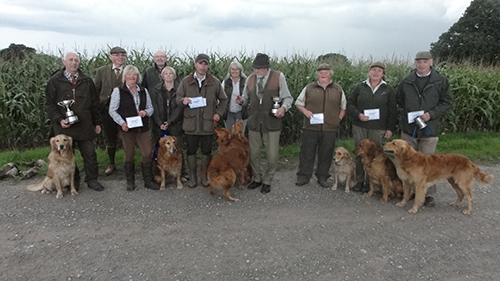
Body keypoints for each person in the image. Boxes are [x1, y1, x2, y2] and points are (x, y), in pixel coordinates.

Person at [396, 51, 453, 207]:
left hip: (430, 128)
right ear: (415, 63)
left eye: (424, 61)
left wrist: (431, 114)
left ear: (431, 62)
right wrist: (410, 113)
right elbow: (399, 99)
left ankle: (427, 194)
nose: (421, 64)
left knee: (428, 163)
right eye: (418, 61)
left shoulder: (440, 81)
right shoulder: (407, 81)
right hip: (409, 129)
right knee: (407, 161)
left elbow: (447, 102)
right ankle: (410, 192)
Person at [45, 52, 104, 192]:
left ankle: (92, 179)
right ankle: (73, 181)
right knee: (67, 155)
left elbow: (95, 103)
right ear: (64, 62)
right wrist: (59, 119)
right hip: (64, 127)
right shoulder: (55, 81)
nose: (73, 63)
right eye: (70, 60)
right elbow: (49, 105)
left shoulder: (87, 81)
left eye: (76, 60)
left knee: (90, 154)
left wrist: (97, 123)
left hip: (85, 125)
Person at [235, 53, 293, 194]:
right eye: (255, 68)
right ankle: (257, 178)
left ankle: (268, 180)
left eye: (259, 68)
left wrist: (283, 108)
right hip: (254, 122)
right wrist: (241, 101)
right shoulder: (250, 79)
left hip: (272, 123)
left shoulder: (278, 77)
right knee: (253, 154)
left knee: (272, 155)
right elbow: (246, 98)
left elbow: (288, 98)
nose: (256, 71)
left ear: (266, 67)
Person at [175, 53, 228, 188]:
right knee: (191, 151)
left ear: (208, 65)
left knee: (206, 151)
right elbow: (177, 98)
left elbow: (223, 99)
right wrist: (183, 101)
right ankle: (193, 178)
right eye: (200, 63)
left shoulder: (214, 82)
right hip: (191, 124)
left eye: (205, 64)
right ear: (195, 64)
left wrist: (218, 113)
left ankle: (204, 177)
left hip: (207, 124)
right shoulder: (186, 81)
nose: (203, 67)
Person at [347, 61, 398, 192]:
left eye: (379, 70)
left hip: (378, 127)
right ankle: (359, 181)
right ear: (369, 71)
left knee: (376, 155)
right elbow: (350, 104)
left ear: (383, 74)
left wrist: (390, 128)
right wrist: (358, 115)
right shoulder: (360, 87)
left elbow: (393, 110)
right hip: (360, 126)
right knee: (360, 153)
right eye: (373, 69)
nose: (376, 72)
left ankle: (373, 182)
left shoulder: (388, 89)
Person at [295, 63, 347, 188]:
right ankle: (303, 176)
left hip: (330, 128)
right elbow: (298, 103)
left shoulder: (338, 89)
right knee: (307, 153)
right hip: (311, 127)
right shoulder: (309, 88)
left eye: (326, 72)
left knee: (327, 154)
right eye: (320, 72)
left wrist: (338, 119)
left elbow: (344, 107)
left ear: (330, 74)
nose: (323, 74)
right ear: (317, 74)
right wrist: (306, 111)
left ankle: (322, 177)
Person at [108, 65, 159, 191]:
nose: (132, 77)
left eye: (134, 75)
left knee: (147, 153)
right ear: (124, 77)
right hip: (127, 129)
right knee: (129, 154)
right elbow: (112, 110)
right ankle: (130, 181)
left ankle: (148, 180)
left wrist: (145, 113)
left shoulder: (143, 91)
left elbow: (150, 108)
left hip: (142, 128)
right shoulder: (118, 91)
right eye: (129, 75)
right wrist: (121, 123)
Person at [150, 66, 189, 181]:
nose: (168, 75)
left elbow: (180, 107)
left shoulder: (180, 89)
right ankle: (158, 174)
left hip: (175, 124)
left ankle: (181, 174)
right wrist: (159, 123)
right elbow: (154, 107)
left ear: (174, 75)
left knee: (178, 149)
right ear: (162, 76)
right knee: (157, 150)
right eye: (165, 73)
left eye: (170, 73)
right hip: (159, 124)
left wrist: (170, 121)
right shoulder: (156, 90)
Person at [94, 46, 127, 176]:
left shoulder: (129, 71)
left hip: (124, 110)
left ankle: (127, 162)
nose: (120, 57)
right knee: (110, 137)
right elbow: (96, 90)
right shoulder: (102, 71)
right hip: (106, 110)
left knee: (126, 136)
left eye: (122, 55)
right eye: (117, 55)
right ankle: (112, 163)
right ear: (111, 57)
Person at [221, 60, 248, 131]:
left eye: (237, 69)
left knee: (240, 135)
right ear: (230, 70)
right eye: (232, 69)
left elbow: (249, 96)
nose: (234, 71)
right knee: (229, 135)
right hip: (229, 112)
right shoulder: (225, 82)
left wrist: (242, 100)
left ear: (240, 70)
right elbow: (221, 97)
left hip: (241, 112)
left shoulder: (246, 81)